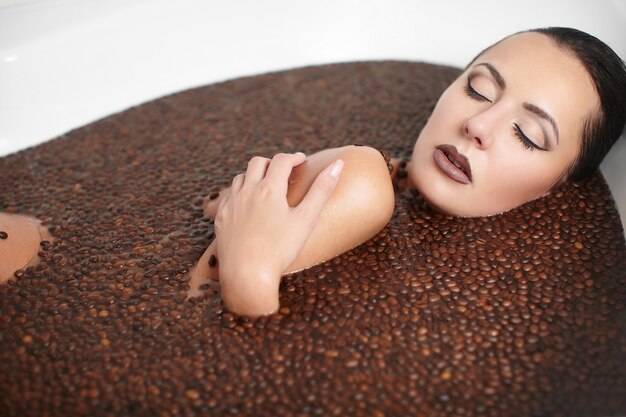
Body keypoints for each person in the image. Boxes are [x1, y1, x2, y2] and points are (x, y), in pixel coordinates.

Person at [1, 28, 625, 317]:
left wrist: (247, 263)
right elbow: (215, 283)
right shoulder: (364, 177)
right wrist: (244, 263)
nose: (479, 126)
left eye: (527, 133)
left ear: (560, 185)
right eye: (479, 89)